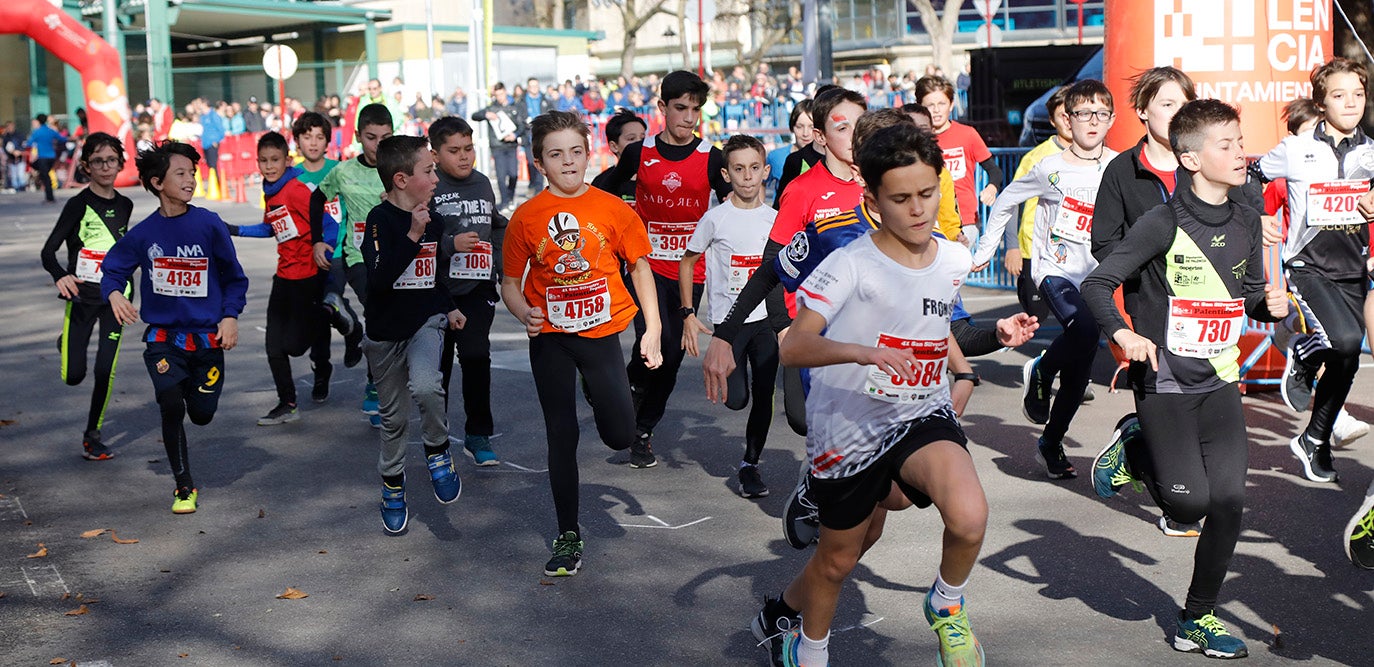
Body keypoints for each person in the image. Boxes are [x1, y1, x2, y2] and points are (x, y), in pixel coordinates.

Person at [765, 122, 987, 667]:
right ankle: (804, 645)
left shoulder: (954, 260)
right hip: (850, 427)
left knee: (970, 515)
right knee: (841, 559)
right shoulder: (852, 264)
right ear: (873, 202)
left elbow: (934, 327)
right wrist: (863, 353)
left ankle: (947, 605)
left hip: (918, 412)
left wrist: (991, 342)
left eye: (928, 194)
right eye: (902, 199)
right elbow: (794, 348)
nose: (918, 210)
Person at [1083, 98, 1288, 659]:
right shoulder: (1162, 222)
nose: (1241, 152)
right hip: (1165, 382)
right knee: (1188, 506)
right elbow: (1097, 285)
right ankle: (1137, 443)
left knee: (1227, 503)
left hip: (1219, 380)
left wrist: (1267, 307)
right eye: (1228, 145)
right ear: (1192, 159)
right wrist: (1124, 335)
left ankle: (1195, 618)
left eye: (1240, 141)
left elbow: (1243, 297)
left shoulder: (1247, 217)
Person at [1090, 66, 1266, 536]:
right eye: (1166, 104)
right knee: (1188, 494)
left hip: (1212, 349)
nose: (1175, 112)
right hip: (1149, 316)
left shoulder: (1229, 174)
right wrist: (1151, 268)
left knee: (1216, 490)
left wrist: (1265, 298)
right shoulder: (1124, 171)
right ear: (1145, 114)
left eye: (1182, 103)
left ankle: (1167, 469)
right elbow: (1105, 249)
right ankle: (1151, 458)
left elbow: (1246, 273)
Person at [500, 110, 662, 575]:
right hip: (550, 336)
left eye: (575, 152)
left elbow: (640, 268)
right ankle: (568, 533)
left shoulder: (613, 208)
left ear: (587, 154)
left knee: (619, 434)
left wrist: (651, 328)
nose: (568, 162)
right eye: (556, 155)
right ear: (539, 163)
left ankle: (602, 390)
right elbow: (510, 282)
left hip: (600, 333)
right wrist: (523, 311)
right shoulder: (527, 219)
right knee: (561, 433)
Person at [971, 79, 1118, 480]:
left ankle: (1050, 443)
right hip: (1054, 271)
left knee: (1080, 369)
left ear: (1111, 120)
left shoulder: (1118, 166)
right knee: (1084, 330)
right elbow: (1005, 200)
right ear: (1068, 120)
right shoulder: (1048, 167)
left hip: (1097, 278)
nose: (1092, 121)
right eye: (1083, 113)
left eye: (1100, 114)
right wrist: (986, 251)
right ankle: (1040, 368)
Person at [99, 141, 249, 514]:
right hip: (163, 339)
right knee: (170, 403)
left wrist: (229, 316)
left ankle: (198, 397)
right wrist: (114, 294)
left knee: (201, 413)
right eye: (180, 173)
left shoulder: (209, 224)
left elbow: (234, 278)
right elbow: (113, 268)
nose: (190, 180)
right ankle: (183, 486)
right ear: (156, 182)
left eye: (193, 173)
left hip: (207, 339)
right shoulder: (144, 233)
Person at [595, 70, 733, 468]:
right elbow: (605, 185)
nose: (688, 117)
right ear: (662, 108)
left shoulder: (712, 157)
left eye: (695, 109)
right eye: (680, 108)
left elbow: (731, 210)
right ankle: (630, 393)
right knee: (654, 341)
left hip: (691, 271)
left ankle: (641, 422)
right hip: (646, 266)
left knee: (671, 356)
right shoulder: (641, 153)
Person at [1258, 57, 1373, 484]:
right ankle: (1305, 355)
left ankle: (1315, 440)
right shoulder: (1296, 148)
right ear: (1321, 103)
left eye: (1358, 94)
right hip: (1307, 264)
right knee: (1343, 340)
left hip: (1353, 268)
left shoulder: (1371, 152)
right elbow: (1250, 176)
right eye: (1339, 95)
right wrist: (1259, 216)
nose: (1351, 103)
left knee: (1347, 358)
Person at [362, 135, 468, 535]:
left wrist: (450, 306)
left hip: (426, 322)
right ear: (402, 179)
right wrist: (411, 235)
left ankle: (439, 451)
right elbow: (379, 279)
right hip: (385, 332)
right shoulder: (380, 219)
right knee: (393, 421)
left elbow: (432, 277)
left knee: (426, 385)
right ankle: (392, 485)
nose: (436, 176)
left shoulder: (433, 219)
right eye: (428, 170)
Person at [680, 135, 778, 498]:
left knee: (765, 393)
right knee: (737, 399)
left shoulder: (776, 220)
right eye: (739, 169)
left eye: (754, 168)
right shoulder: (715, 219)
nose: (748, 177)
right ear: (726, 174)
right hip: (729, 325)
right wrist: (688, 312)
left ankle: (750, 465)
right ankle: (742, 393)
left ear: (766, 171)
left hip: (766, 321)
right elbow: (687, 261)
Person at [39, 132, 134, 460]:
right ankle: (65, 342)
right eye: (98, 161)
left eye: (111, 160)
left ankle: (92, 434)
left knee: (105, 369)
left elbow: (124, 250)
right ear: (85, 166)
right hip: (81, 297)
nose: (106, 167)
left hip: (115, 299)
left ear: (120, 164)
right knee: (73, 376)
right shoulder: (77, 205)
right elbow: (48, 251)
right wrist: (61, 275)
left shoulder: (126, 204)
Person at [223, 132, 329, 425]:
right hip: (283, 276)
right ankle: (288, 403)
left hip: (307, 276)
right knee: (274, 347)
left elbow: (327, 222)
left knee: (294, 347)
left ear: (287, 160)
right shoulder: (270, 190)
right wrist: (233, 229)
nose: (269, 166)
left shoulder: (296, 189)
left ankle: (326, 316)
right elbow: (271, 228)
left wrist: (322, 248)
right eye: (263, 161)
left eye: (275, 160)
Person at [428, 116, 505, 466]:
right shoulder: (429, 186)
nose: (464, 157)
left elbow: (496, 224)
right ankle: (437, 437)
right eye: (454, 151)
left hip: (477, 286)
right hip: (437, 288)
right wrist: (450, 244)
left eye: (469, 149)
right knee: (437, 368)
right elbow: (418, 236)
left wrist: (504, 269)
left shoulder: (483, 183)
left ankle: (478, 434)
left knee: (475, 355)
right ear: (434, 155)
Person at [319, 103, 394, 427]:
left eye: (386, 137)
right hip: (358, 257)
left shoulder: (400, 167)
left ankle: (378, 379)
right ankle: (375, 387)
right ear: (358, 136)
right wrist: (317, 239)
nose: (378, 144)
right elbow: (317, 199)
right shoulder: (343, 171)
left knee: (391, 323)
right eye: (371, 137)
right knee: (378, 312)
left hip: (397, 255)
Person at [293, 111, 364, 394]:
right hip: (303, 255)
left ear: (328, 141)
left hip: (338, 252)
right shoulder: (292, 175)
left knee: (328, 302)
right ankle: (321, 366)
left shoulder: (341, 170)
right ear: (296, 141)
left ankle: (352, 330)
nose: (313, 143)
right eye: (306, 137)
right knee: (316, 315)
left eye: (319, 137)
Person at [1007, 86, 1072, 322]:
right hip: (1034, 249)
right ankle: (1039, 360)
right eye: (1061, 115)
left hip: (1078, 251)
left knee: (1080, 320)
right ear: (1052, 121)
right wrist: (1012, 247)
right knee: (1036, 316)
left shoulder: (1100, 156)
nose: (1068, 120)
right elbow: (1011, 202)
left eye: (1073, 113)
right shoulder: (1035, 157)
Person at [915, 75, 1003, 244]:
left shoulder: (967, 134)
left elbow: (994, 171)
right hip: (925, 217)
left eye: (942, 104)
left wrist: (991, 187)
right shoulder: (914, 137)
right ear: (920, 107)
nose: (936, 110)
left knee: (952, 268)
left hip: (964, 220)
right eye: (930, 105)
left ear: (952, 104)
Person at [470, 83, 524, 214]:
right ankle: (505, 201)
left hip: (511, 146)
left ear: (505, 92)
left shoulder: (514, 107)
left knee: (513, 174)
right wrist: (486, 114)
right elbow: (475, 116)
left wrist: (515, 135)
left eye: (501, 94)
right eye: (497, 95)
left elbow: (522, 126)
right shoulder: (492, 108)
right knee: (501, 176)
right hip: (497, 146)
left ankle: (510, 197)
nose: (499, 97)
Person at [589, 109, 647, 204]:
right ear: (614, 146)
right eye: (631, 139)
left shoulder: (658, 177)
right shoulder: (601, 183)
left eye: (642, 138)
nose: (639, 143)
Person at [766, 100, 814, 200]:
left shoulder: (828, 159)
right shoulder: (776, 156)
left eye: (812, 127)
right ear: (792, 127)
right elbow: (760, 184)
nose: (806, 133)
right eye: (799, 127)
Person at [520, 78, 554, 195]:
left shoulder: (545, 100)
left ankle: (538, 189)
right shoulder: (522, 101)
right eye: (531, 86)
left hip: (543, 136)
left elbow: (551, 115)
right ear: (528, 87)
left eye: (536, 85)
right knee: (530, 163)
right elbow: (519, 118)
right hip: (528, 136)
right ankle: (532, 183)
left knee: (540, 161)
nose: (534, 88)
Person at [24, 115, 64, 204]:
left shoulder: (37, 132)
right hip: (51, 157)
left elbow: (29, 144)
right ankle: (50, 196)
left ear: (38, 121)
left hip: (43, 157)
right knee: (45, 175)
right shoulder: (50, 131)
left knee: (45, 176)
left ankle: (50, 198)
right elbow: (61, 139)